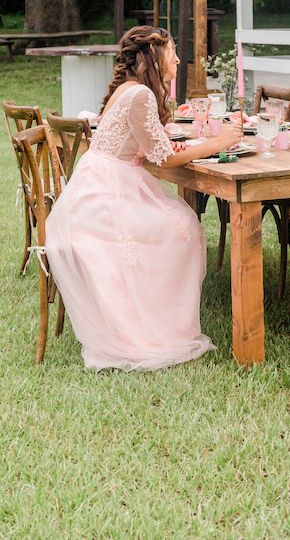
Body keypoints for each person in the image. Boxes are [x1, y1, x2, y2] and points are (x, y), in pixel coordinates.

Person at [46, 26, 243, 370]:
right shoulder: (140, 95)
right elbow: (162, 160)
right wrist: (221, 142)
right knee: (182, 228)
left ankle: (161, 310)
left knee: (179, 222)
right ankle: (156, 325)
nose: (178, 59)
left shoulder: (129, 89)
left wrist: (164, 144)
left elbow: (145, 145)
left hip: (101, 183)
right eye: (172, 53)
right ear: (153, 58)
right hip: (106, 196)